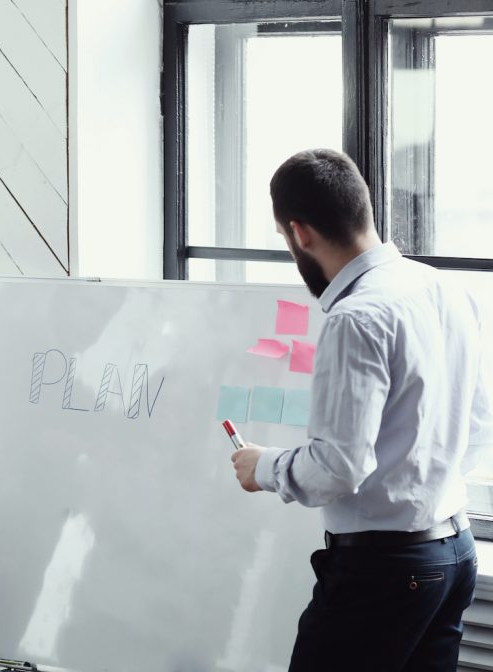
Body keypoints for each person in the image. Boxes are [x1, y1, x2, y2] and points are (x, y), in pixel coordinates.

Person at [230, 148, 493, 670]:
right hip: (454, 553)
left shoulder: (356, 317)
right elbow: (481, 424)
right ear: (363, 209)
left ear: (299, 233)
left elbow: (338, 467)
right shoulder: (446, 289)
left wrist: (261, 466)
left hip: (384, 571)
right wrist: (420, 483)